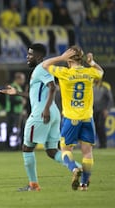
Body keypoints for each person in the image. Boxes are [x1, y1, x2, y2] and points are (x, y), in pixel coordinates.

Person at [0, 43, 65, 191]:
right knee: (52, 151)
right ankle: (76, 167)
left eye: (30, 54)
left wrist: (46, 109)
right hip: (52, 112)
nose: (27, 57)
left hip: (42, 113)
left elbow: (52, 87)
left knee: (27, 148)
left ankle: (33, 185)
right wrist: (17, 93)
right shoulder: (39, 70)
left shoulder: (41, 69)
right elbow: (34, 96)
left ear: (39, 56)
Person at [42, 45, 104, 191]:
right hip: (88, 118)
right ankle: (84, 184)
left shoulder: (64, 72)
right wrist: (92, 62)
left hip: (71, 118)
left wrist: (61, 58)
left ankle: (74, 169)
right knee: (87, 152)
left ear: (69, 60)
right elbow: (101, 72)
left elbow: (45, 64)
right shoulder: (90, 72)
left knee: (65, 149)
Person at [5, 72, 27, 149]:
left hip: (18, 112)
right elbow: (12, 100)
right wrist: (21, 101)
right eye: (22, 79)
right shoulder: (13, 87)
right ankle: (8, 146)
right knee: (11, 129)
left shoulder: (18, 87)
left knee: (21, 128)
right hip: (12, 112)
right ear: (18, 79)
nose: (24, 81)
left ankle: (20, 144)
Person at [93, 79, 114, 148]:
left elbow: (110, 99)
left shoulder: (105, 86)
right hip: (93, 110)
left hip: (102, 110)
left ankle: (103, 144)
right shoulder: (91, 85)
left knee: (100, 126)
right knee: (93, 127)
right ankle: (92, 144)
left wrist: (107, 109)